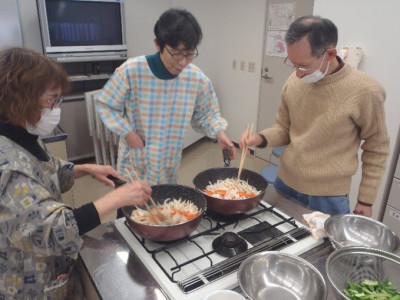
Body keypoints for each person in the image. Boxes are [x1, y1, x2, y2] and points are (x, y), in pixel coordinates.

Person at [0, 47, 152, 299]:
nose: (57, 107)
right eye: (52, 99)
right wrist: (119, 197)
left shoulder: (22, 134)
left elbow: (44, 171)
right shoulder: (7, 166)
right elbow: (52, 230)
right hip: (26, 284)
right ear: (19, 100)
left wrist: (84, 168)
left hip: (51, 271)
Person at [240, 16, 389, 217]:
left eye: (304, 66)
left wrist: (366, 199)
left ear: (330, 53)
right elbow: (284, 129)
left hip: (328, 198)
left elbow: (377, 146)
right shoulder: (294, 82)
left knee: (322, 248)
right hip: (285, 182)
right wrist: (260, 139)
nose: (298, 74)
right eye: (293, 65)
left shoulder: (365, 91)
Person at [96, 8, 236, 186]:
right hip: (135, 164)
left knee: (165, 207)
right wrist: (129, 134)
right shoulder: (132, 70)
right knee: (130, 210)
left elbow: (206, 114)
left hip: (168, 167)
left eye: (189, 54)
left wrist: (219, 133)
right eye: (177, 54)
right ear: (158, 44)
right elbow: (106, 105)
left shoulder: (196, 78)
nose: (183, 62)